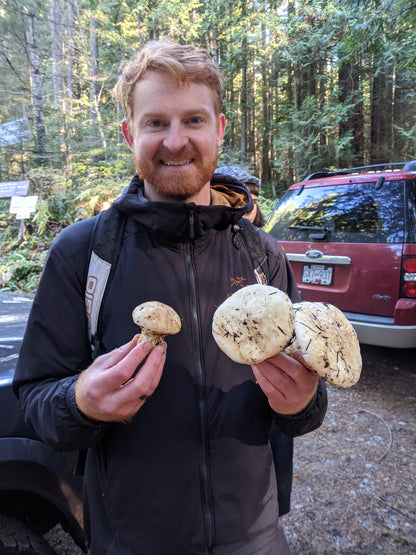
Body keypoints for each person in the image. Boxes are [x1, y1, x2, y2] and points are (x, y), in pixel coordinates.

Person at [13, 40, 327, 554]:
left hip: (254, 539)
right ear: (128, 133)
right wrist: (81, 402)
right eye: (156, 122)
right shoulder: (83, 255)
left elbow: (306, 402)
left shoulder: (262, 255)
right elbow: (36, 401)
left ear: (220, 129)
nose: (175, 141)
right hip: (132, 540)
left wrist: (302, 403)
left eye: (194, 121)